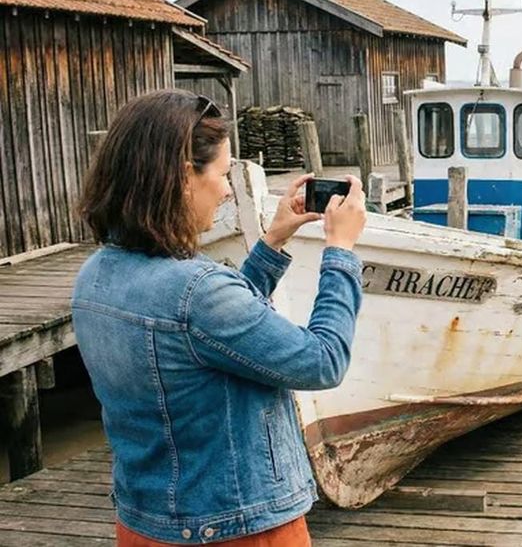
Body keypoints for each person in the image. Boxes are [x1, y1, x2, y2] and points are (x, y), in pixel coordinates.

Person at [72, 90, 367, 546]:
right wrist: (341, 251)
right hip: (238, 529)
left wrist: (272, 242)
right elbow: (322, 361)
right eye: (224, 172)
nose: (229, 187)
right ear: (181, 177)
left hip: (144, 523)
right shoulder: (195, 291)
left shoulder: (95, 276)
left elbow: (216, 334)